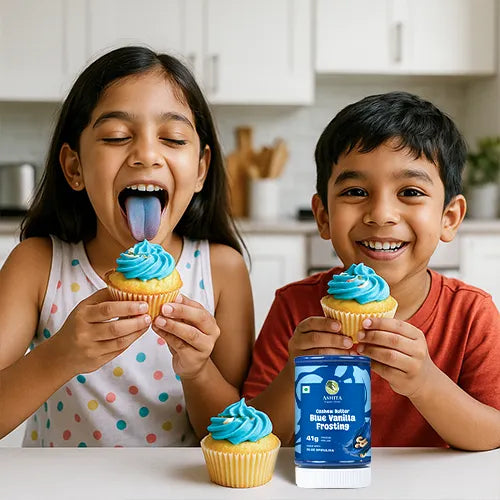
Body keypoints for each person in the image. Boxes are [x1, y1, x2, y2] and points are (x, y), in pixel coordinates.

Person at [0, 46, 254, 447]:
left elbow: (233, 437)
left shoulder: (222, 270)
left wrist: (198, 371)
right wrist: (60, 356)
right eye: (117, 136)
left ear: (201, 169)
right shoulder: (37, 265)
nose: (147, 155)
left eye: (172, 138)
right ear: (74, 168)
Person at [244, 91, 500, 451]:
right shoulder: (295, 308)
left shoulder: (472, 314)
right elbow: (254, 434)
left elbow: (494, 433)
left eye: (410, 191)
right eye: (355, 191)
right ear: (323, 217)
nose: (380, 214)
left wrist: (425, 382)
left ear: (449, 218)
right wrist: (295, 375)